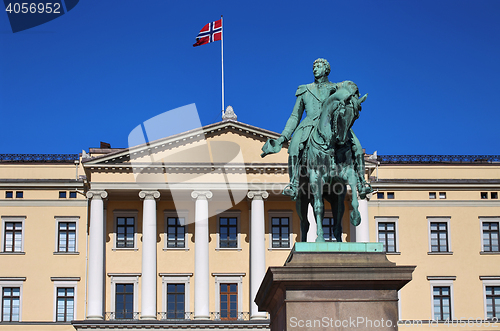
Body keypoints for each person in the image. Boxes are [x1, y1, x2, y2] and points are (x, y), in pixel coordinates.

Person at [261, 58, 369, 200]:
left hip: (334, 124)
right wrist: (283, 137)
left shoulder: (336, 88)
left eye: (319, 66)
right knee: (293, 148)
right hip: (308, 124)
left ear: (326, 69)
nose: (315, 69)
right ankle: (293, 184)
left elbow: (352, 91)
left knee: (356, 145)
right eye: (314, 66)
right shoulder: (304, 90)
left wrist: (353, 94)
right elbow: (294, 116)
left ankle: (362, 182)